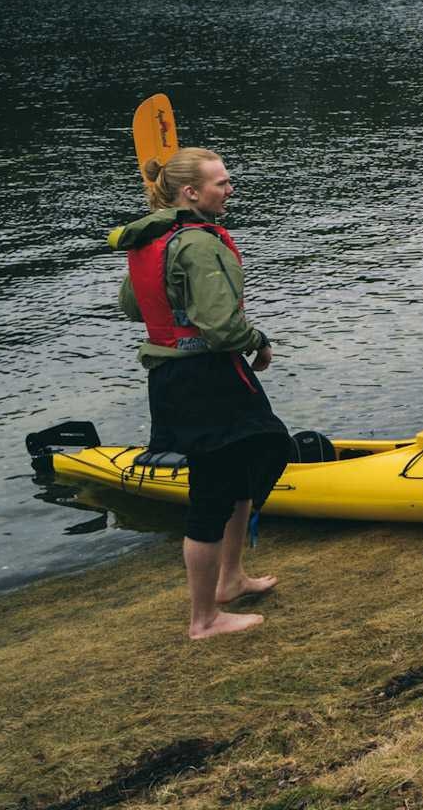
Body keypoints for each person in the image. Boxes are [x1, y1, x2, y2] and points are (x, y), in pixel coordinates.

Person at [114, 146, 291, 640]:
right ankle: (204, 619)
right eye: (221, 183)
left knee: (245, 465)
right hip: (207, 378)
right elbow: (220, 326)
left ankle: (231, 581)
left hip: (173, 380)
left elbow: (133, 307)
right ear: (191, 192)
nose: (230, 189)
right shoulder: (197, 243)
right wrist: (259, 341)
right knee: (214, 489)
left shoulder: (150, 239)